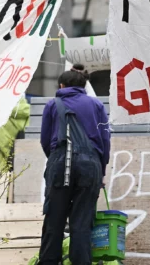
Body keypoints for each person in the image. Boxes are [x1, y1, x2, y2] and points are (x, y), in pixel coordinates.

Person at [38, 67, 111, 265]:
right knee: (82, 223)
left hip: (60, 164)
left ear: (61, 85)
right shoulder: (97, 105)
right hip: (90, 167)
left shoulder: (52, 105)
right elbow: (105, 139)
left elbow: (45, 140)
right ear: (83, 85)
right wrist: (101, 170)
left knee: (54, 220)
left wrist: (56, 160)